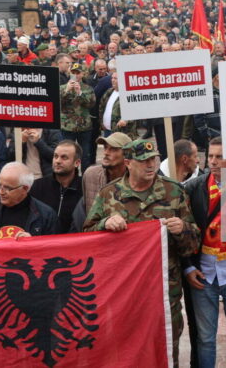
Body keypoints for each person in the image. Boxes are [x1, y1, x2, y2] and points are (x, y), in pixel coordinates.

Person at [83, 139, 200, 365]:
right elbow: (88, 235)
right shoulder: (109, 194)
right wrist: (105, 223)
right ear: (128, 163)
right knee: (124, 351)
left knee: (165, 349)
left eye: (154, 159)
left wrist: (182, 229)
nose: (151, 165)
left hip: (163, 292)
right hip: (123, 292)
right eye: (144, 160)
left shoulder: (174, 191)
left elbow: (193, 244)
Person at [182, 137, 226, 368]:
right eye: (210, 156)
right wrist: (188, 266)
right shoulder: (193, 188)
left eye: (219, 157)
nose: (212, 161)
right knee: (205, 339)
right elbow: (184, 231)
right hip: (203, 272)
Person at [0, 162, 58, 240]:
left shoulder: (46, 216)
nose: (0, 192)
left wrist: (33, 243)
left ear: (25, 189)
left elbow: (53, 247)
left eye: (7, 188)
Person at [29, 141, 83, 234]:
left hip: (74, 241)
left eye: (64, 157)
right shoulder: (37, 186)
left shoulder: (84, 188)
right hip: (43, 240)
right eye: (55, 156)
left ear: (77, 163)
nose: (57, 161)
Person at [60, 62, 96, 171]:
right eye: (73, 73)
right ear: (69, 73)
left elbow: (91, 104)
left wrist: (80, 93)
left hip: (84, 126)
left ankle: (85, 176)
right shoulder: (62, 88)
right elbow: (57, 104)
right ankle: (70, 174)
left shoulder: (88, 88)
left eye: (78, 73)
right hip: (67, 126)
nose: (76, 75)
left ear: (83, 74)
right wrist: (66, 91)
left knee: (85, 154)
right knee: (67, 153)